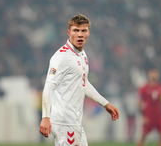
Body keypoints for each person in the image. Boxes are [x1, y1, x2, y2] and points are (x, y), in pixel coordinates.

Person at [39, 14, 119, 146]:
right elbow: (49, 87)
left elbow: (83, 83)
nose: (80, 34)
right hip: (64, 122)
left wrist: (105, 104)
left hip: (75, 122)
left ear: (88, 33)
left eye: (83, 30)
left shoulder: (82, 54)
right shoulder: (61, 57)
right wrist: (45, 117)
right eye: (76, 30)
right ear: (69, 32)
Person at [137, 68, 161, 146]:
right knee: (143, 136)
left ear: (158, 75)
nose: (154, 75)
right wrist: (143, 116)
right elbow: (139, 103)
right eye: (152, 73)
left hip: (159, 115)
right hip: (149, 115)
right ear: (149, 75)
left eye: (155, 73)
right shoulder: (144, 88)